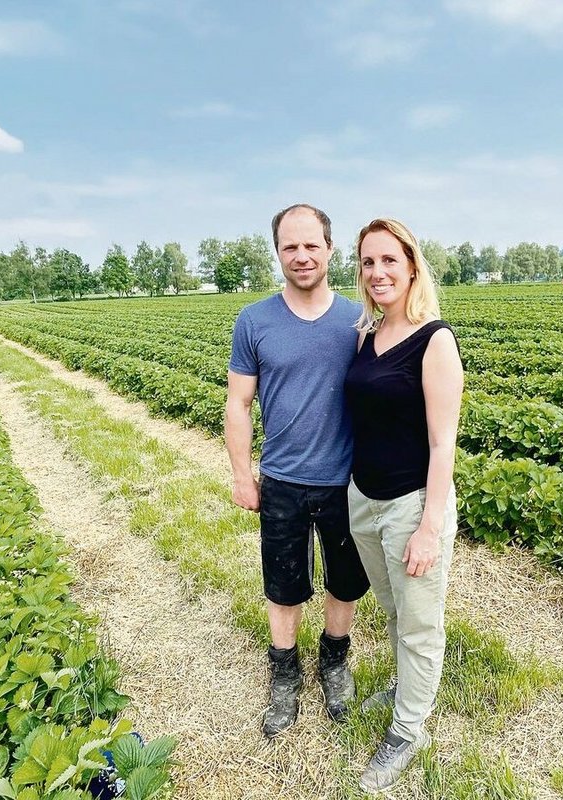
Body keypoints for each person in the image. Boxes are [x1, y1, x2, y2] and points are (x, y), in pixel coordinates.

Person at [226, 203, 370, 737]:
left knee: (345, 580)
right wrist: (244, 474)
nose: (302, 256)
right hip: (282, 479)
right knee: (283, 584)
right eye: (291, 246)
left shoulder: (358, 320)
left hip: (345, 480)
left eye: (312, 245)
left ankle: (334, 660)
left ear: (330, 249)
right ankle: (284, 673)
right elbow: (238, 403)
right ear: (278, 252)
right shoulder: (254, 320)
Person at [343, 218, 464, 792]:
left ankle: (408, 730)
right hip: (363, 500)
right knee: (393, 611)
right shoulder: (367, 334)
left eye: (389, 260)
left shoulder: (434, 339)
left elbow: (444, 444)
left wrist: (429, 527)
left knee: (420, 625)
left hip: (412, 504)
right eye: (368, 262)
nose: (378, 272)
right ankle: (404, 690)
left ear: (412, 265)